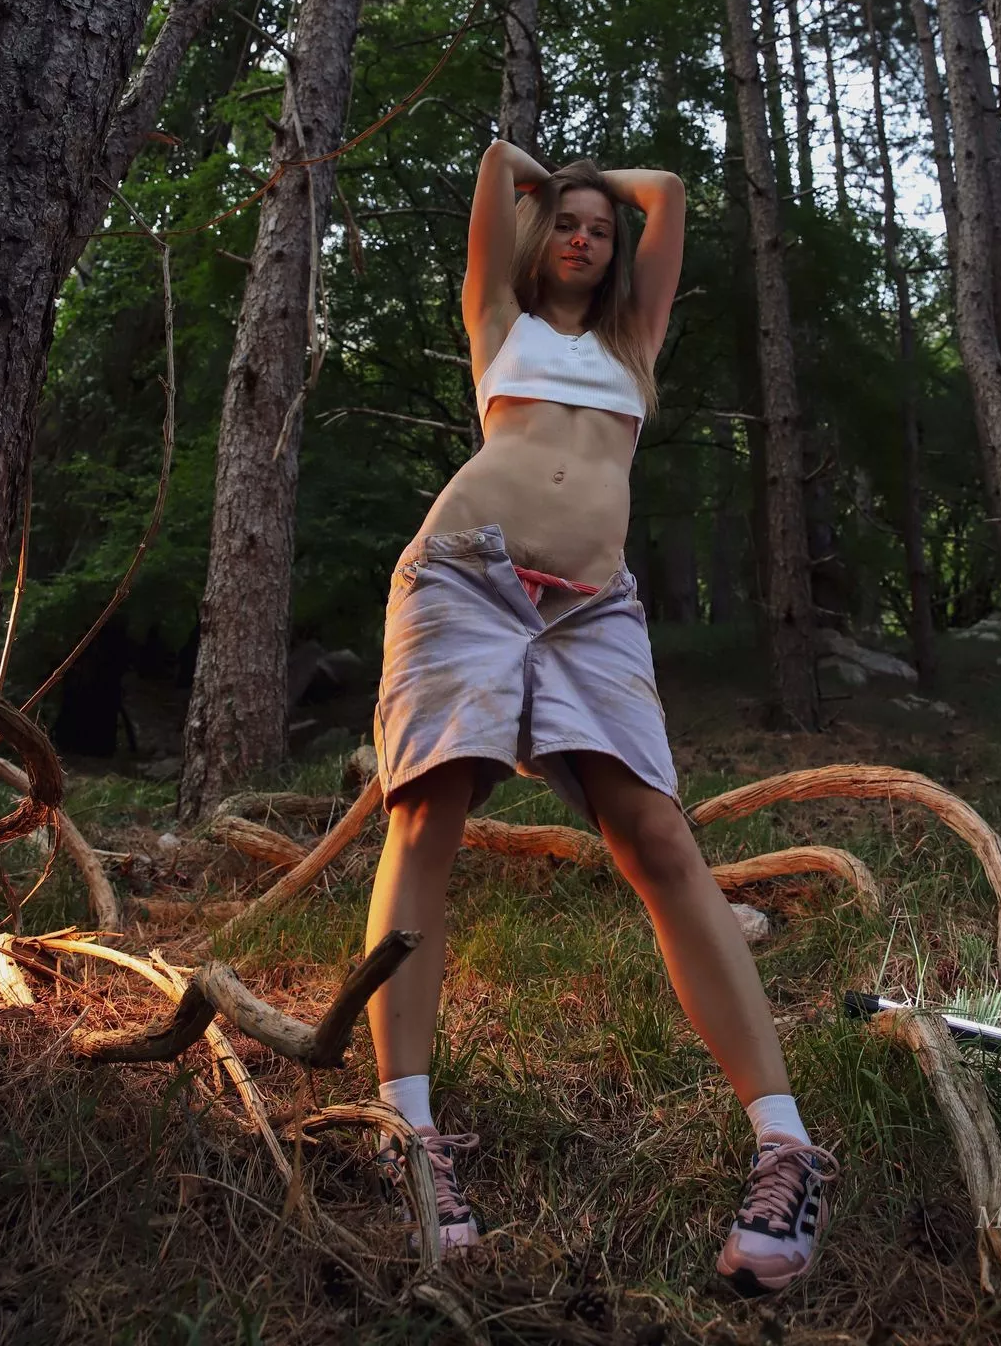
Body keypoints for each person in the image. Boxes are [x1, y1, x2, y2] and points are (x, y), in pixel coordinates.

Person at [364, 139, 840, 1295]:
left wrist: (599, 192)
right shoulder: (497, 321)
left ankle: (784, 1146)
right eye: (564, 224)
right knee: (424, 817)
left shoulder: (631, 342)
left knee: (659, 837)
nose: (581, 236)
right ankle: (406, 1133)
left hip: (591, 606)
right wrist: (545, 183)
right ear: (538, 238)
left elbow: (664, 196)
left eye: (597, 229)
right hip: (465, 574)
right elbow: (492, 164)